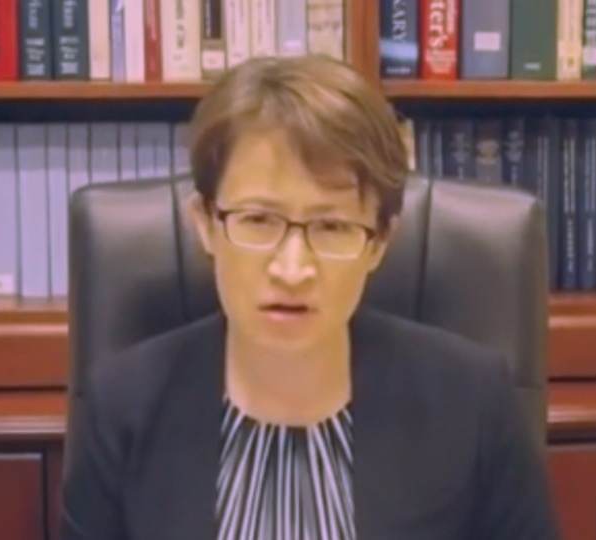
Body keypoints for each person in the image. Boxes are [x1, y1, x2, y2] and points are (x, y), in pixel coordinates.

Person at [60, 54, 560, 540]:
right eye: (259, 220)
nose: (293, 270)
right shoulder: (122, 407)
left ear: (380, 241)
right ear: (206, 224)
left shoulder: (472, 404)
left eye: (332, 227)